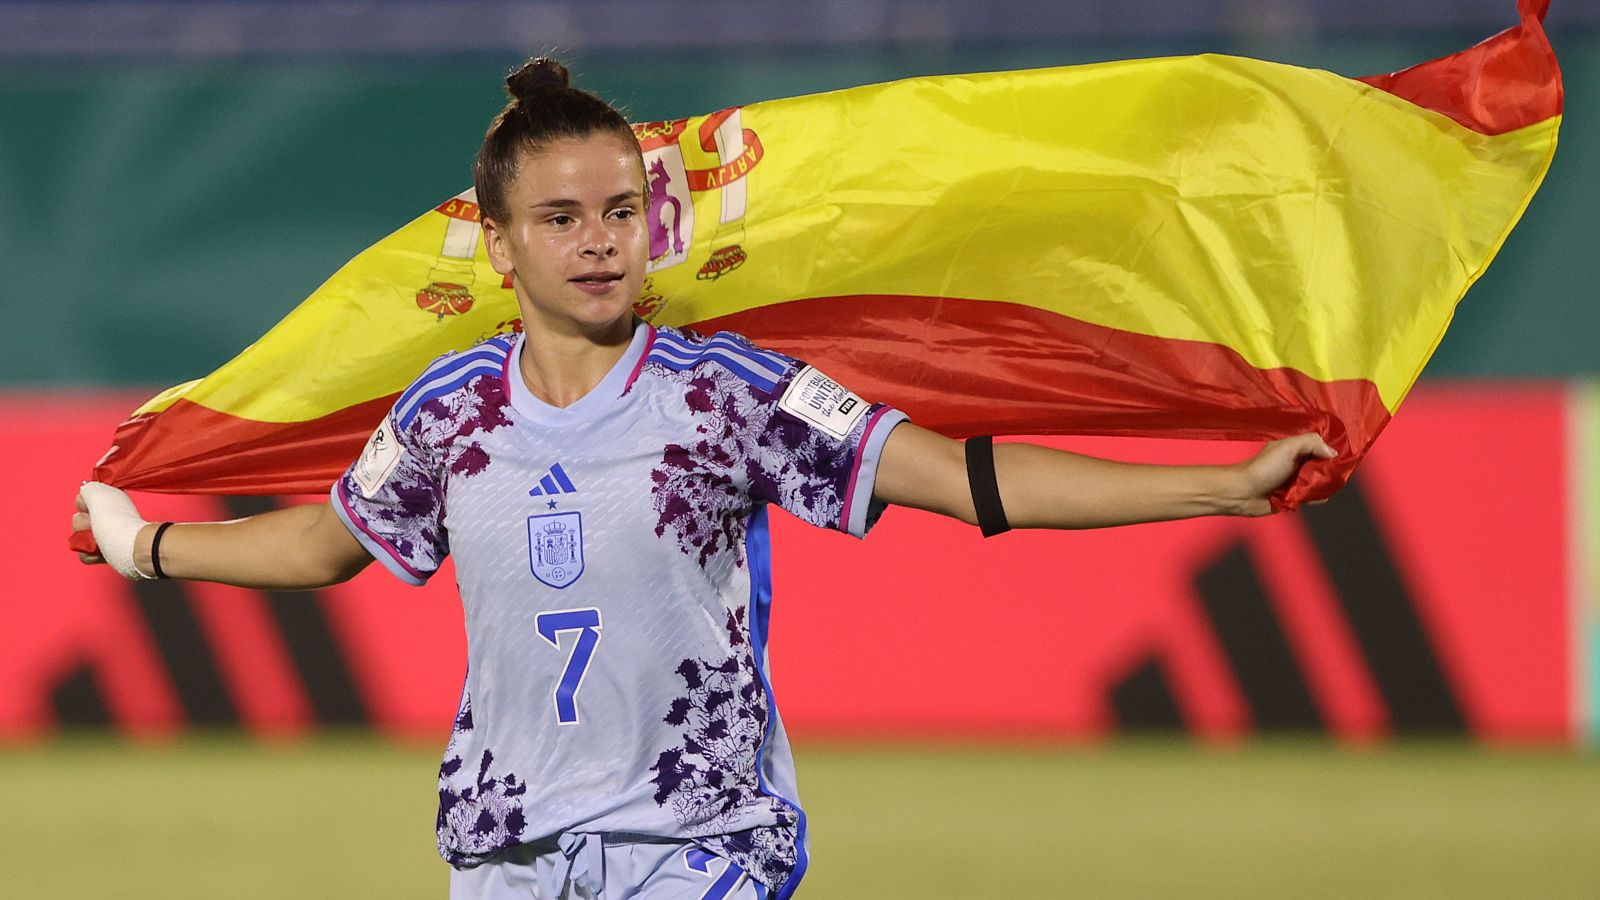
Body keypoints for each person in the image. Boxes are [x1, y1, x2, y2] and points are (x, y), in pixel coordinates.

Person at [73, 58, 1337, 900]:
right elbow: (325, 545)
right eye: (560, 219)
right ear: (501, 243)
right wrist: (142, 545)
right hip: (505, 859)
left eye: (620, 210)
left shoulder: (731, 395)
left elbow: (961, 480)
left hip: (700, 848)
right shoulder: (449, 414)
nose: (598, 241)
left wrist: (1220, 488)